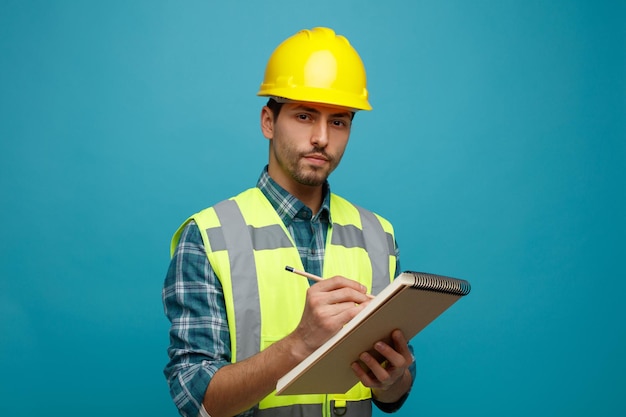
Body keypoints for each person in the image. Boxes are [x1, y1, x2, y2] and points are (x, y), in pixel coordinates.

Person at [163, 27, 416, 417]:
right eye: (304, 115)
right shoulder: (208, 236)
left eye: (339, 121)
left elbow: (393, 391)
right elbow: (198, 399)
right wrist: (300, 343)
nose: (321, 138)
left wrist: (393, 380)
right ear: (268, 121)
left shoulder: (379, 236)